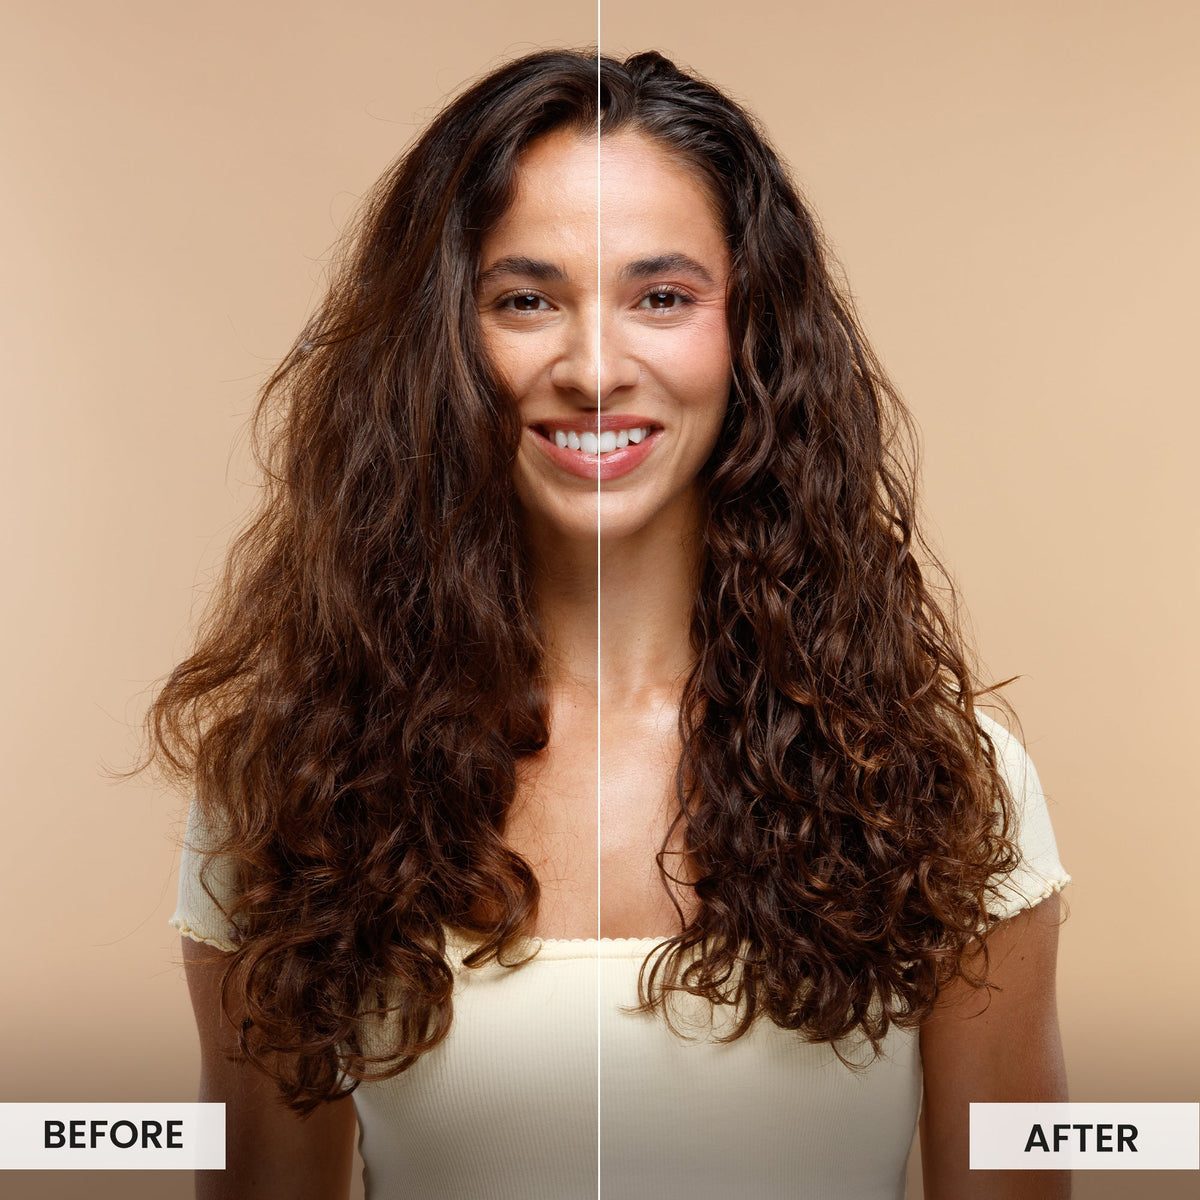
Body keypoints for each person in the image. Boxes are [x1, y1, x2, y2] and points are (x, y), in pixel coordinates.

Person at [152, 48, 1070, 1199]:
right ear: (442, 343)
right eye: (525, 299)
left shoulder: (946, 782)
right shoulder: (293, 784)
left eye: (663, 297)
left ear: (751, 336)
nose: (593, 368)